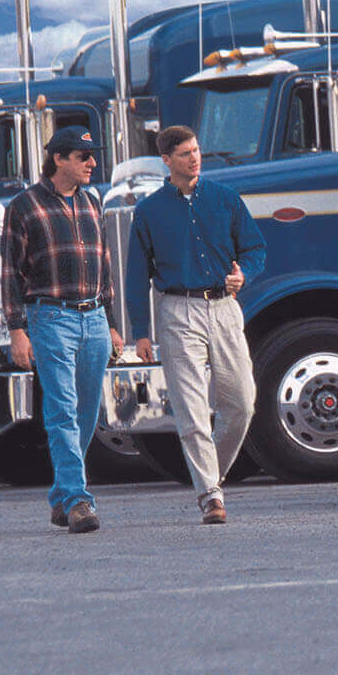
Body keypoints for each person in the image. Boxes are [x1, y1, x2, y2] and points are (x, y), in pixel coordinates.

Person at [127, 124, 266, 525]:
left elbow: (256, 248)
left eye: (197, 150)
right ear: (167, 161)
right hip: (177, 310)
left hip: (224, 308)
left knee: (242, 402)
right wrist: (141, 332)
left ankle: (210, 477)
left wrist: (246, 275)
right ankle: (209, 495)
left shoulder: (225, 199)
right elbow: (136, 276)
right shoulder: (149, 211)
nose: (195, 157)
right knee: (191, 409)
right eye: (185, 153)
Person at [1, 126, 124, 534]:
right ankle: (78, 502)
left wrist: (111, 323)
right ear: (58, 159)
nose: (92, 163)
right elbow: (11, 275)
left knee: (88, 414)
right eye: (82, 156)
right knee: (62, 412)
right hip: (50, 319)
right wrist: (18, 331)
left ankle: (61, 495)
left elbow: (103, 267)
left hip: (93, 319)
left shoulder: (93, 202)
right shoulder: (23, 206)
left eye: (92, 156)